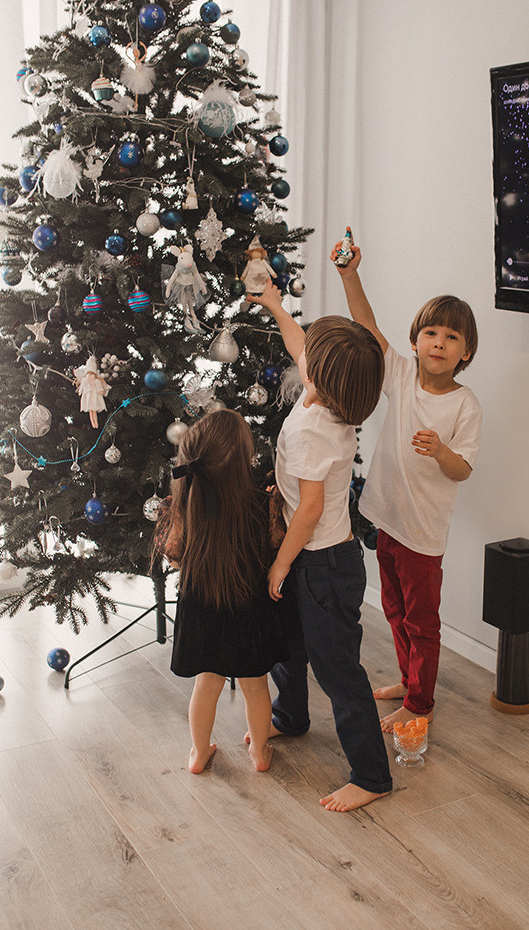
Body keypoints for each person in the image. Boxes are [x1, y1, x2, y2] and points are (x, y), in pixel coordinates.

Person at [245, 278, 393, 813]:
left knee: (337, 669)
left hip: (320, 562)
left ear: (319, 379)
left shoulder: (314, 430)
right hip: (317, 558)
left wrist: (280, 566)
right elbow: (300, 346)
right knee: (291, 645)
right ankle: (290, 716)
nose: (300, 353)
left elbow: (308, 511)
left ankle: (372, 775)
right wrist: (277, 306)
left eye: (311, 355)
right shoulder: (327, 402)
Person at [332, 239, 481, 733]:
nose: (439, 343)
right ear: (415, 341)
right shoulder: (399, 373)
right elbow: (366, 326)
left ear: (465, 352)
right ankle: (408, 679)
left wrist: (440, 450)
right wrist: (350, 275)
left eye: (451, 337)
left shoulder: (465, 406)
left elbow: (462, 470)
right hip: (387, 516)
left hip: (423, 533)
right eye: (431, 333)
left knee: (422, 622)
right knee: (394, 610)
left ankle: (421, 704)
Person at [164, 409, 289, 774]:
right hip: (248, 606)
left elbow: (173, 556)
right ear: (241, 460)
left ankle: (199, 753)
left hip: (202, 606)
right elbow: (276, 544)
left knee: (207, 684)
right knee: (256, 687)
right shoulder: (259, 502)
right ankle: (260, 753)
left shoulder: (187, 501)